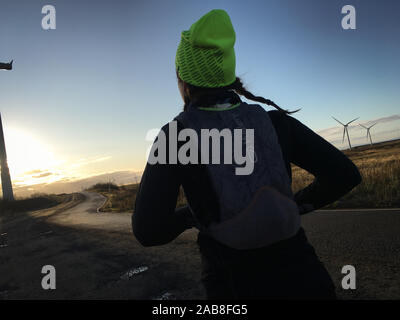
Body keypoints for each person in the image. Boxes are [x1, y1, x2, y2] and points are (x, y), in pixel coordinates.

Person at [132, 9, 361, 299]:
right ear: (227, 73)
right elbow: (344, 175)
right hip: (306, 280)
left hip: (234, 286)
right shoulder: (276, 123)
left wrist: (195, 215)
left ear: (184, 81)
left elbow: (148, 230)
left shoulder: (176, 136)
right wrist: (290, 204)